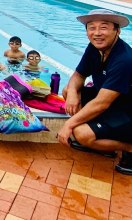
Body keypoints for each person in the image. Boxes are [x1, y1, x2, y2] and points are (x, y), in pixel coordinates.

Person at [57, 9, 132, 175]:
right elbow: (78, 74)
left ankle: (129, 148)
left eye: (104, 27)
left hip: (126, 112)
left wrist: (69, 124)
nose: (97, 33)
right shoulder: (94, 48)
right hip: (112, 105)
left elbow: (101, 104)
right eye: (91, 28)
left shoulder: (124, 60)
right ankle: (106, 146)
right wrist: (73, 94)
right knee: (68, 90)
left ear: (117, 30)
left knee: (81, 134)